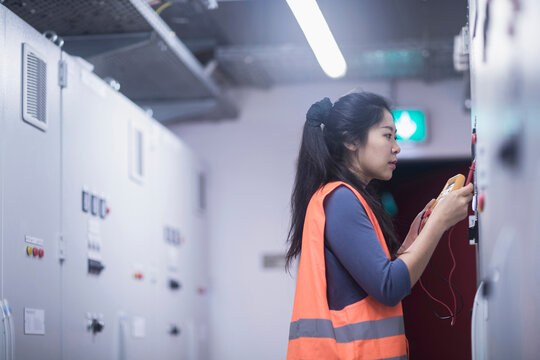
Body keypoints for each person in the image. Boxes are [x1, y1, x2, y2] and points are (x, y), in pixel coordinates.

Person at [285, 92, 473, 359]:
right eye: (388, 136)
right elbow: (389, 286)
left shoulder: (347, 197)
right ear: (351, 140)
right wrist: (439, 223)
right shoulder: (341, 199)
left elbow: (376, 278)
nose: (397, 147)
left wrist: (412, 240)